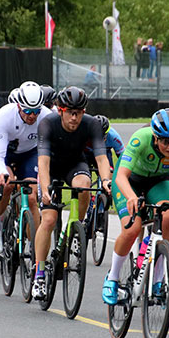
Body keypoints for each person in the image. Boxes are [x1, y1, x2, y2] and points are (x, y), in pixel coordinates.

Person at [102, 108, 169, 305]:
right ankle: (113, 278)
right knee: (132, 228)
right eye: (165, 140)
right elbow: (122, 176)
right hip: (130, 181)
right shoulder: (141, 138)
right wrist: (131, 197)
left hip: (158, 181)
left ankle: (158, 280)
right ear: (155, 137)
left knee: (167, 216)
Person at [32, 86, 113, 301]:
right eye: (71, 112)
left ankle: (77, 227)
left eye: (79, 112)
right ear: (60, 110)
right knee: (48, 219)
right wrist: (47, 188)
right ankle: (39, 274)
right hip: (51, 167)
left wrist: (105, 180)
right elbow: (43, 162)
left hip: (74, 165)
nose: (75, 118)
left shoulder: (91, 124)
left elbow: (102, 159)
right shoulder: (47, 124)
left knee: (84, 184)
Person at [0, 81, 53, 254]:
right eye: (28, 111)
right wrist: (2, 173)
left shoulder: (47, 116)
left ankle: (36, 247)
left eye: (36, 111)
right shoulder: (5, 115)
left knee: (32, 196)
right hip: (5, 152)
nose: (32, 116)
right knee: (7, 184)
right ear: (18, 106)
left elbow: (49, 151)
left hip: (29, 153)